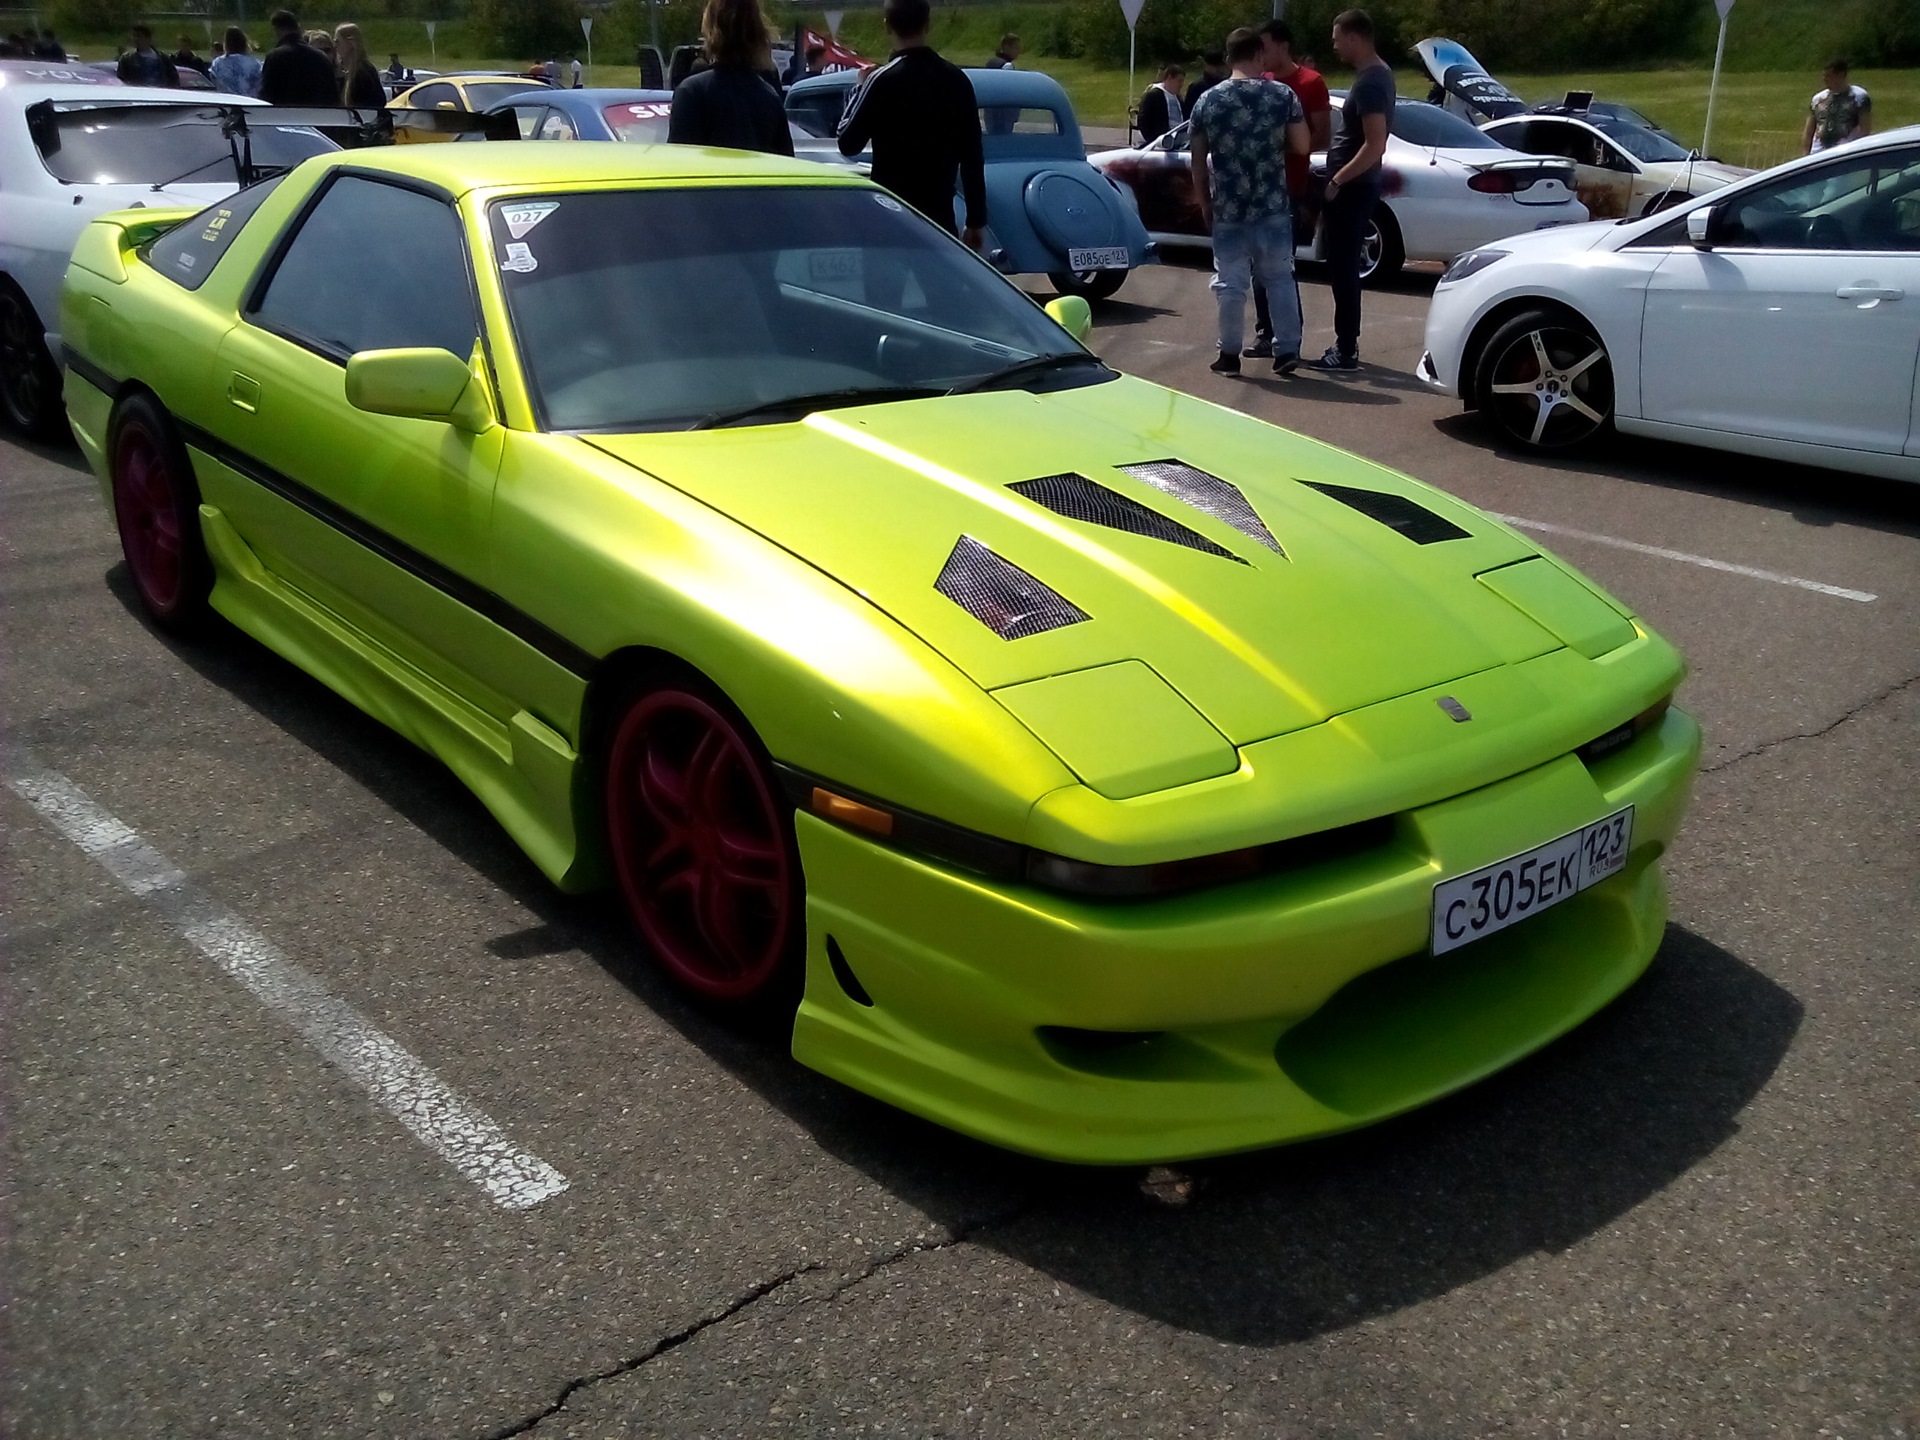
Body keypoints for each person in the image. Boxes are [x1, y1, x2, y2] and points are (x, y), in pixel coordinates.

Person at [1190, 27, 1309, 375]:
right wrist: (1271, 146)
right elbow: (1302, 146)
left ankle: (1229, 354)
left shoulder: (1207, 101)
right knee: (1279, 278)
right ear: (1259, 55)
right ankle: (1287, 350)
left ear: (1228, 58)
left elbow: (1198, 162)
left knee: (1230, 282)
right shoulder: (1282, 96)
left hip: (1228, 205)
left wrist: (1204, 204)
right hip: (1272, 202)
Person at [837, 0, 987, 249]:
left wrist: (858, 89)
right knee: (939, 287)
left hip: (890, 214)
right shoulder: (957, 81)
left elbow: (848, 142)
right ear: (928, 25)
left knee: (883, 287)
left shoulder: (880, 81)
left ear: (887, 26)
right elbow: (972, 157)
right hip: (938, 216)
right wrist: (976, 220)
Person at [1310, 9, 1393, 372]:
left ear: (1354, 38)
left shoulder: (1372, 82)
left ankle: (1345, 350)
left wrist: (1338, 180)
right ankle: (1346, 346)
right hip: (1356, 185)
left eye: (1337, 37)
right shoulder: (1376, 75)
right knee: (1341, 266)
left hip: (1353, 187)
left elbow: (1376, 144)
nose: (1334, 45)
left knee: (1344, 269)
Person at [1247, 18, 1331, 358]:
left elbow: (1322, 135)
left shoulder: (1310, 82)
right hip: (1256, 188)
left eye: (1265, 46)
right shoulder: (1259, 82)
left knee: (1281, 265)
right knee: (1256, 265)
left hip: (1289, 187)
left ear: (1282, 45)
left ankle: (1288, 338)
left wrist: (1283, 146)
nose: (1261, 54)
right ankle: (1265, 333)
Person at [668, 0, 794, 156]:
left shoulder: (692, 93)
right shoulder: (769, 97)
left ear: (709, 30)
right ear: (758, 32)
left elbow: (680, 164)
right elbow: (786, 166)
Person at [258, 10, 338, 105]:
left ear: (276, 29)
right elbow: (332, 95)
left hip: (285, 116)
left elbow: (267, 95)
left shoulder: (275, 57)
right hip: (317, 116)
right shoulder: (321, 57)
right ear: (298, 28)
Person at [1804, 59, 1872, 154]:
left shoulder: (1859, 97)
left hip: (1844, 152)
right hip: (1818, 153)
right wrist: (1806, 153)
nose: (1824, 79)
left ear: (1841, 76)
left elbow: (1865, 130)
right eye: (1824, 76)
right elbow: (1809, 131)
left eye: (1829, 76)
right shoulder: (1818, 99)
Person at [334, 23, 384, 109]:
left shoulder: (363, 72)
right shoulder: (348, 70)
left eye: (337, 41)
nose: (335, 46)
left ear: (350, 43)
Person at [116, 26, 181, 87]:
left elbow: (174, 79)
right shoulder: (127, 59)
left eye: (139, 36)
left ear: (148, 38)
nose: (135, 39)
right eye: (134, 36)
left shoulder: (163, 58)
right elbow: (121, 81)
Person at [1137, 64, 1185, 143]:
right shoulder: (1154, 95)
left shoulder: (1179, 98)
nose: (1181, 85)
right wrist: (1153, 140)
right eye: (1179, 81)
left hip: (1179, 138)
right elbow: (1144, 120)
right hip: (1160, 140)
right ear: (1169, 78)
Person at [210, 28, 264, 96]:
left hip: (225, 102)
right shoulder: (255, 64)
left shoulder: (218, 63)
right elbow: (259, 86)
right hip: (250, 102)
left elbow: (214, 83)